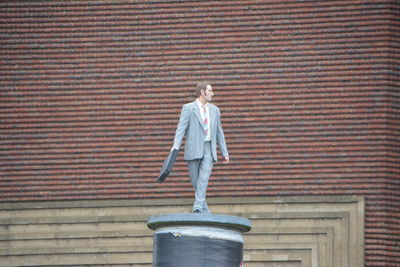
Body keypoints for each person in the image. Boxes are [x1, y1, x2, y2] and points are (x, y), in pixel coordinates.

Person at [172, 82, 229, 213]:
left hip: (209, 148)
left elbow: (219, 132)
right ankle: (205, 210)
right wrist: (175, 147)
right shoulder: (188, 108)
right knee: (196, 181)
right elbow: (181, 129)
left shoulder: (215, 110)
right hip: (193, 148)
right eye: (210, 91)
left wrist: (224, 151)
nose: (212, 93)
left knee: (204, 178)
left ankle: (197, 207)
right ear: (202, 92)